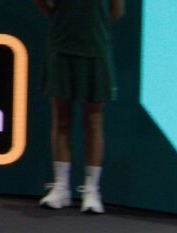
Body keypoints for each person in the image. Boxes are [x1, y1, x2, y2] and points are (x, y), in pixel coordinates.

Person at [34, 0, 124, 213]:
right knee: (61, 119)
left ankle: (91, 191)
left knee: (93, 120)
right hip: (62, 46)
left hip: (96, 48)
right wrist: (61, 22)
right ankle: (61, 188)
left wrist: (95, 28)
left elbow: (117, 11)